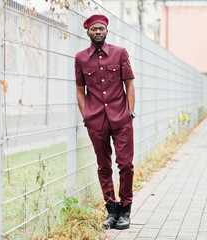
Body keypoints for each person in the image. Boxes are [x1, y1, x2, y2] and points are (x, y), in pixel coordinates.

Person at [75, 14, 136, 230]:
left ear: (107, 31)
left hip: (121, 119)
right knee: (103, 166)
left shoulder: (120, 53)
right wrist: (86, 115)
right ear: (88, 32)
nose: (98, 32)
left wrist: (130, 112)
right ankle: (111, 210)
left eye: (101, 28)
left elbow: (129, 85)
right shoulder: (81, 58)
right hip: (96, 121)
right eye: (94, 29)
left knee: (125, 164)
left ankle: (125, 210)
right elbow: (80, 90)